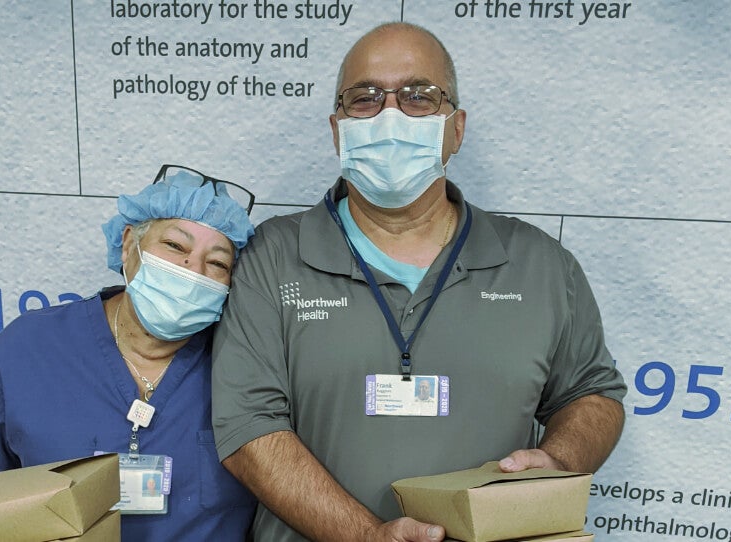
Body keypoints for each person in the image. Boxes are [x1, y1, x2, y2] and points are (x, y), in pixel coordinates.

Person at [211, 22, 627, 542]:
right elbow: (248, 427)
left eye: (419, 96)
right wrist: (367, 536)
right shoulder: (272, 257)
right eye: (364, 98)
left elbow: (593, 394)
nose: (390, 115)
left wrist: (560, 459)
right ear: (338, 129)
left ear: (456, 128)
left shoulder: (540, 264)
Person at [0, 165, 258, 540]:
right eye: (175, 246)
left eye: (217, 263)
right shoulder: (29, 346)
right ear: (129, 244)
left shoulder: (246, 363)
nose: (192, 270)